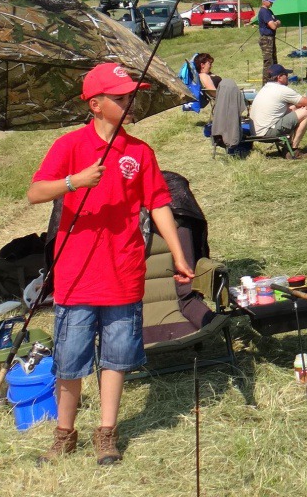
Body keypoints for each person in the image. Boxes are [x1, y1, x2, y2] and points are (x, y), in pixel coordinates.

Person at [26, 62, 195, 466]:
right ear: (96, 104)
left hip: (124, 271)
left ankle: (107, 432)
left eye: (130, 95)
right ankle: (64, 434)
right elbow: (35, 193)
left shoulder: (140, 152)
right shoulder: (69, 147)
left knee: (117, 357)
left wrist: (178, 254)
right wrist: (74, 182)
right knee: (70, 359)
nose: (130, 101)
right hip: (76, 274)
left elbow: (158, 205)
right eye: (121, 97)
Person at [249, 63, 307, 157]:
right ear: (279, 77)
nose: (288, 77)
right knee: (305, 112)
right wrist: (302, 101)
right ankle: (293, 150)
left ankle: (289, 146)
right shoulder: (282, 90)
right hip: (267, 133)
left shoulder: (265, 88)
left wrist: (296, 106)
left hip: (256, 132)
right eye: (286, 75)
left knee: (294, 108)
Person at [257, 0, 280, 83]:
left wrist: (276, 23)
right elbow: (273, 26)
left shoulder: (269, 12)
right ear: (264, 1)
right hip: (266, 39)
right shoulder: (263, 11)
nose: (271, 4)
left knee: (274, 60)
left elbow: (278, 22)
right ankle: (266, 83)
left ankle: (274, 81)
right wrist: (276, 23)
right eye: (270, 2)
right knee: (268, 62)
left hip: (271, 38)